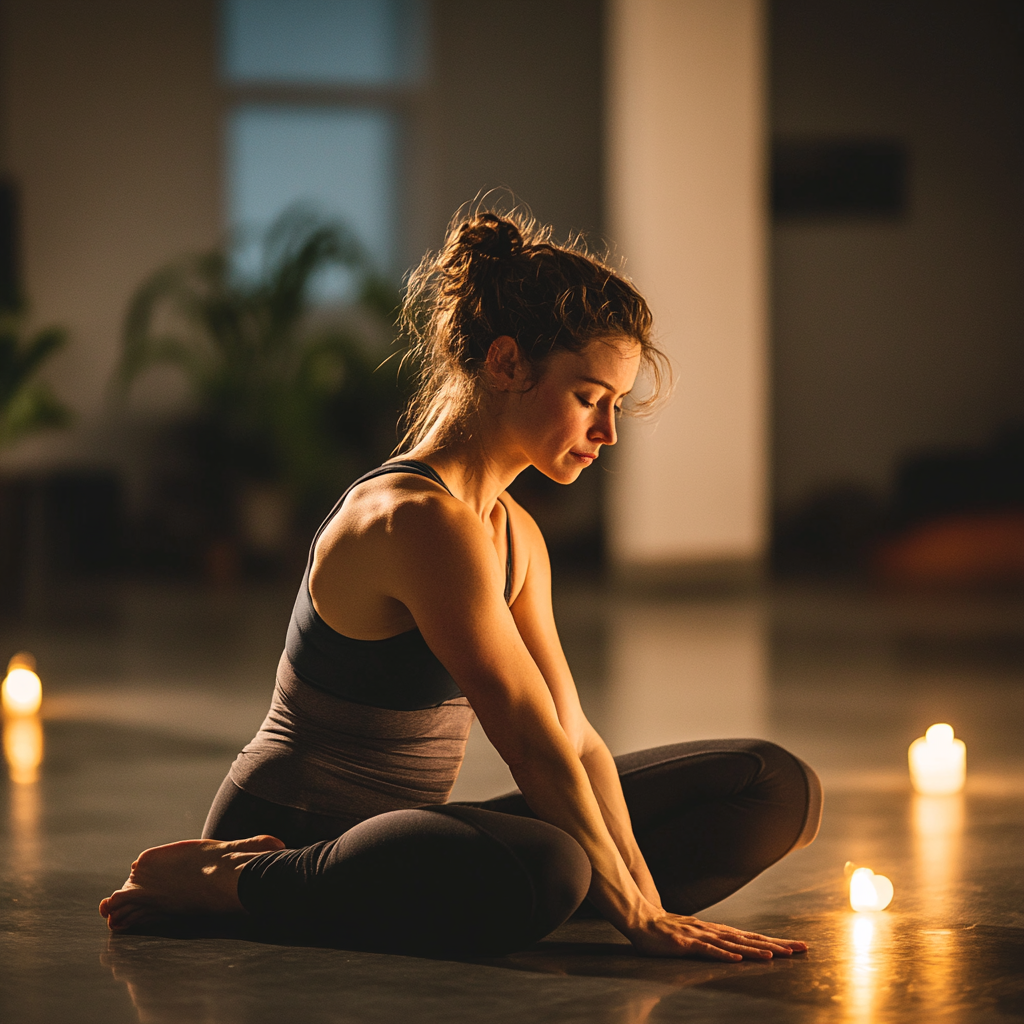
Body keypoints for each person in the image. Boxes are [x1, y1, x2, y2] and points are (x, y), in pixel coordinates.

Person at [100, 209, 821, 959]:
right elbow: (525, 739)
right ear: (507, 363)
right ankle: (230, 883)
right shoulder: (416, 519)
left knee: (774, 787)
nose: (607, 431)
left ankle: (510, 894)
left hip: (406, 840)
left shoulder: (514, 531)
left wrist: (638, 898)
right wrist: (636, 913)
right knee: (554, 865)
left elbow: (572, 739)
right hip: (296, 835)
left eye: (614, 405)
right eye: (588, 397)